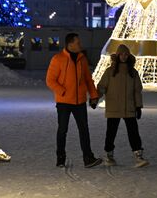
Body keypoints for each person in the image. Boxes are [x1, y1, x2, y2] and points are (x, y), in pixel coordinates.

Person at [46, 32, 101, 168]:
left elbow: (88, 79)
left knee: (84, 130)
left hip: (79, 102)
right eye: (77, 43)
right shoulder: (58, 59)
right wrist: (63, 91)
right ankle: (60, 157)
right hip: (64, 102)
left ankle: (88, 158)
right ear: (70, 44)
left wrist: (94, 96)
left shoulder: (82, 59)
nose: (80, 45)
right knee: (62, 130)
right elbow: (50, 80)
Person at [96, 44, 149, 168]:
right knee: (111, 133)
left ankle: (138, 156)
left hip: (129, 108)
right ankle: (109, 155)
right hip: (114, 107)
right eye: (122, 54)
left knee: (133, 133)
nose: (124, 57)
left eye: (126, 54)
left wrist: (138, 106)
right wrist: (95, 99)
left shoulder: (133, 72)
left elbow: (137, 90)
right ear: (118, 55)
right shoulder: (110, 71)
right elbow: (102, 87)